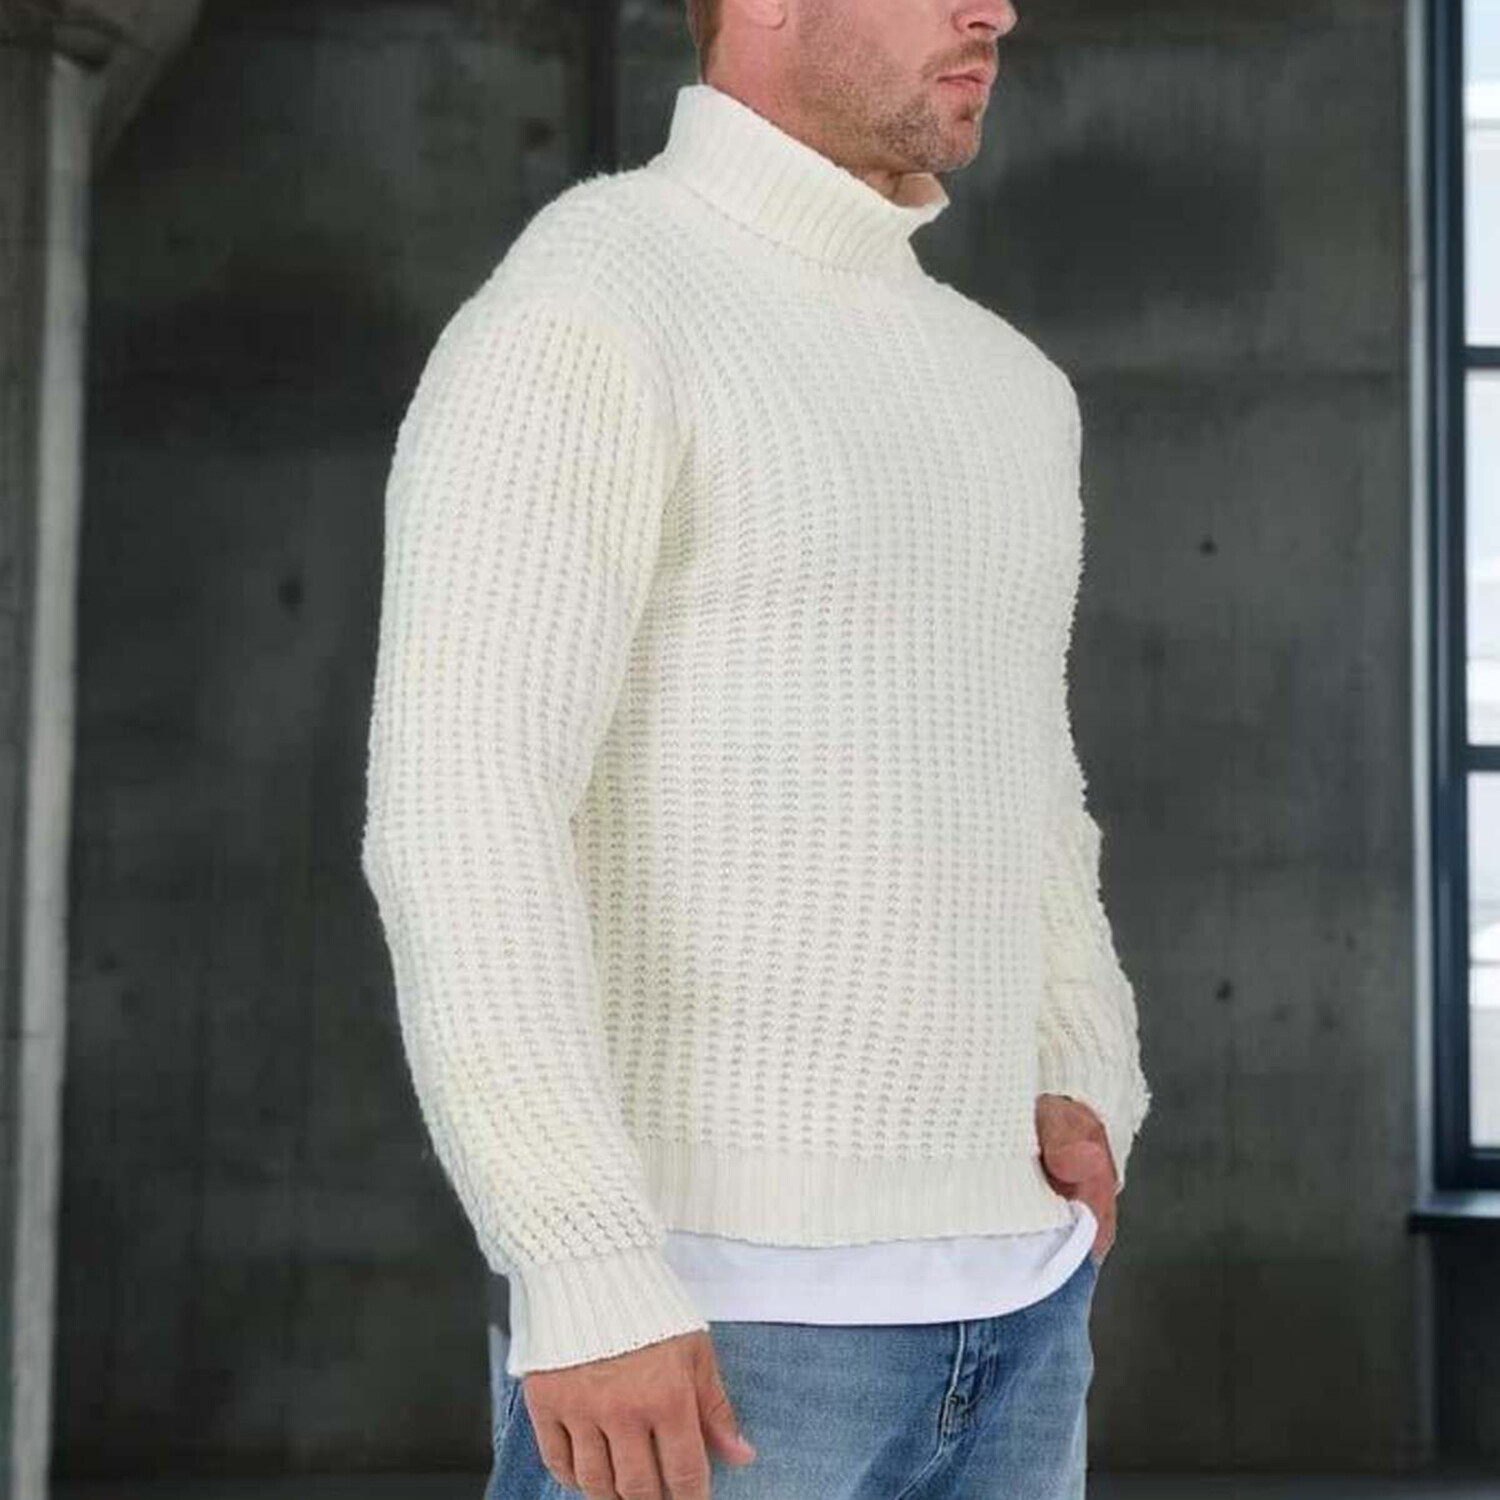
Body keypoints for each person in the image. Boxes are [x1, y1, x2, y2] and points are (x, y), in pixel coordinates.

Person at [359, 0, 1152, 1494]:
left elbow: (1031, 784)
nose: (996, 9)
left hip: (1022, 1308)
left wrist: (1079, 1063)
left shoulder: (1010, 386)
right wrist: (582, 1262)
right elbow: (465, 809)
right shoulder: (592, 306)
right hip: (715, 1323)